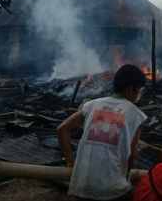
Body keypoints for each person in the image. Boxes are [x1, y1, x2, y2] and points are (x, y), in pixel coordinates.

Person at [57, 64, 147, 200]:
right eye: (138, 90)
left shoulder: (92, 105)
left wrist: (70, 161)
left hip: (80, 187)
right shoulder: (136, 115)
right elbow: (130, 155)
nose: (138, 94)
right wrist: (126, 176)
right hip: (112, 192)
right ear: (130, 90)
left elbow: (62, 128)